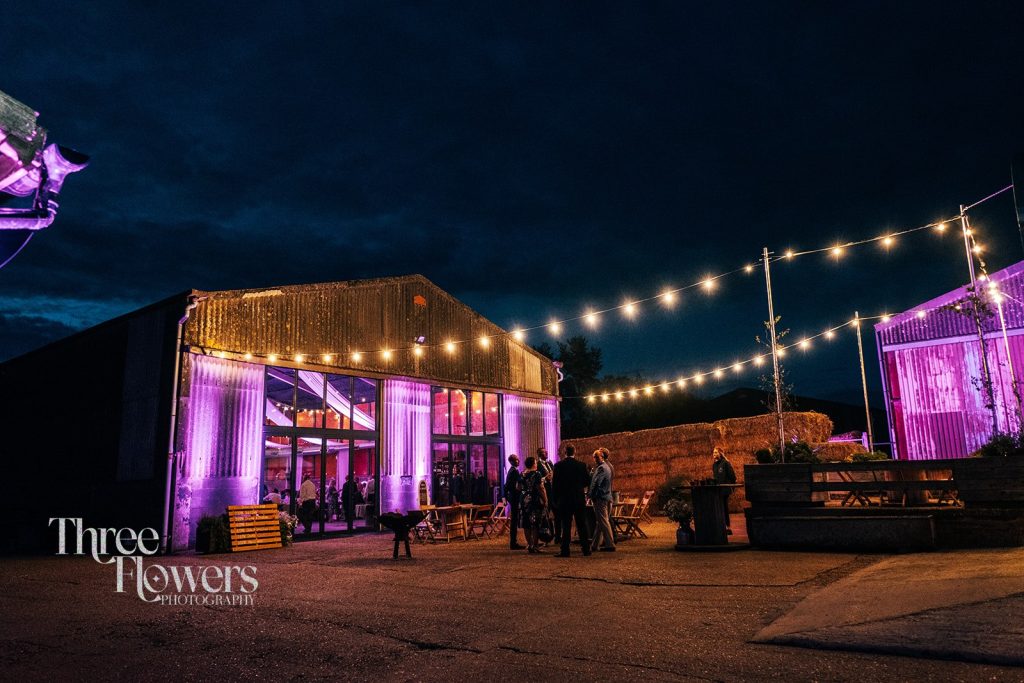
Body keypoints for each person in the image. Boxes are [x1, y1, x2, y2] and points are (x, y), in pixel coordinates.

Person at [552, 444, 591, 557]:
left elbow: (555, 484)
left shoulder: (558, 466)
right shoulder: (581, 465)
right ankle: (586, 549)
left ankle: (565, 550)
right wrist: (578, 486)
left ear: (565, 452)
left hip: (564, 499)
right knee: (581, 524)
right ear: (575, 452)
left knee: (566, 525)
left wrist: (555, 499)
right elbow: (587, 481)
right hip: (578, 498)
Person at [588, 450, 616, 552]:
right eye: (594, 457)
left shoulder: (601, 468)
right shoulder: (607, 467)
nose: (595, 459)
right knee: (600, 522)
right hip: (606, 496)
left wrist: (590, 495)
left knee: (603, 521)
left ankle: (610, 544)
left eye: (596, 457)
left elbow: (596, 483)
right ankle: (595, 545)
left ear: (602, 457)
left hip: (600, 497)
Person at [520, 456, 549, 553]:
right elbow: (541, 488)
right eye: (535, 462)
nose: (536, 464)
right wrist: (545, 500)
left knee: (526, 523)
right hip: (534, 499)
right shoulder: (537, 474)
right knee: (535, 523)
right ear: (533, 464)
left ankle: (530, 544)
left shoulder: (522, 474)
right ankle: (535, 546)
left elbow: (518, 487)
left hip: (524, 499)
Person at [712, 447, 737, 534]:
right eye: (713, 452)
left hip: (725, 489)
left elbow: (733, 476)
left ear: (720, 453)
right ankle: (721, 526)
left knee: (724, 507)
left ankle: (727, 527)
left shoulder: (725, 463)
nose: (714, 454)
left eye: (716, 452)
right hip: (717, 490)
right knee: (719, 508)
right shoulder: (714, 465)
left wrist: (731, 488)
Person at [503, 454, 525, 550]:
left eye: (518, 459)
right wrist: (522, 476)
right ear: (512, 461)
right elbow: (509, 485)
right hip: (514, 497)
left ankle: (514, 542)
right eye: (516, 460)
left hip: (512, 497)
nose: (518, 461)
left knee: (515, 520)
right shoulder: (514, 471)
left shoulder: (512, 470)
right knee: (514, 520)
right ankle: (513, 543)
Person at [537, 447, 557, 543]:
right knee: (545, 515)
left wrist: (553, 476)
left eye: (546, 452)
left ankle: (557, 536)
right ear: (540, 454)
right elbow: (537, 480)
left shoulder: (550, 463)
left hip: (553, 492)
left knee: (557, 514)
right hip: (545, 493)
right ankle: (545, 537)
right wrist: (545, 478)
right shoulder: (537, 465)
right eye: (544, 452)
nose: (547, 453)